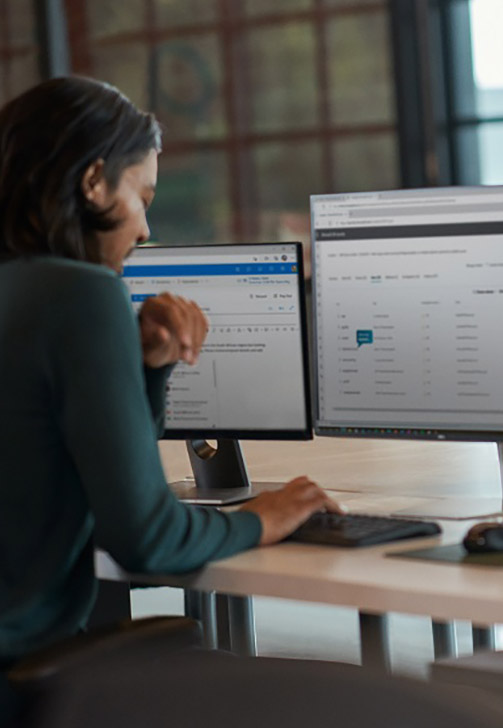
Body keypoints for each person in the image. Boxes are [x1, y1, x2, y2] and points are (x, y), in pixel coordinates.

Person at [0, 77, 340, 697]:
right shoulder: (80, 294)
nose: (146, 230)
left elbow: (89, 483)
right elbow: (144, 539)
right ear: (94, 181)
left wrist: (148, 365)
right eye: (142, 195)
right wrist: (260, 520)